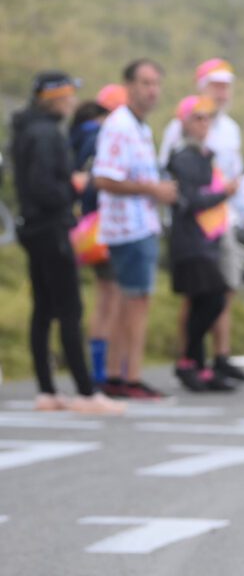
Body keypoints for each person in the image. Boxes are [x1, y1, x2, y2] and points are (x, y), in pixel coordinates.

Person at [10, 71, 125, 414]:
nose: (74, 101)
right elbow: (45, 187)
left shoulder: (26, 129)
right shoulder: (46, 134)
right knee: (69, 309)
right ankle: (86, 393)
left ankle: (47, 390)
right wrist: (73, 186)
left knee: (44, 310)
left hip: (33, 226)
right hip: (51, 228)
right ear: (55, 97)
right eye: (70, 94)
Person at [159, 58, 244, 384]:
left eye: (226, 85)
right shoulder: (180, 129)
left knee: (223, 288)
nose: (222, 91)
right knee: (198, 293)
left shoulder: (230, 128)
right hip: (195, 224)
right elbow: (172, 180)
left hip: (222, 220)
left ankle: (220, 357)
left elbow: (233, 178)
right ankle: (189, 357)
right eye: (216, 85)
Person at [93, 59, 177, 400]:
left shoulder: (140, 127)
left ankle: (119, 375)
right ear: (128, 85)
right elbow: (104, 177)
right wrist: (152, 190)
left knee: (134, 301)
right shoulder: (120, 125)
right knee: (132, 302)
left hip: (143, 223)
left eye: (156, 83)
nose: (151, 90)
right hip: (127, 228)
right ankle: (128, 376)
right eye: (145, 82)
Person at [166, 95, 239, 392]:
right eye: (198, 118)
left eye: (207, 118)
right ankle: (187, 360)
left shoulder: (203, 155)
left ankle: (198, 364)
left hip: (206, 239)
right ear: (184, 122)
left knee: (203, 302)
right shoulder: (184, 157)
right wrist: (225, 193)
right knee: (213, 299)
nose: (204, 124)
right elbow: (192, 200)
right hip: (190, 241)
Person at [70, 83, 127, 387]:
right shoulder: (102, 137)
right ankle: (105, 366)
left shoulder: (78, 133)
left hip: (84, 229)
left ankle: (100, 364)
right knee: (113, 297)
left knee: (103, 296)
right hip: (104, 226)